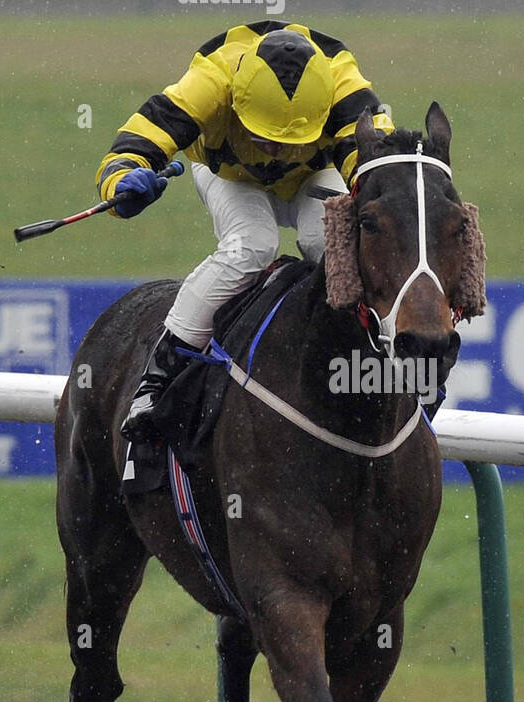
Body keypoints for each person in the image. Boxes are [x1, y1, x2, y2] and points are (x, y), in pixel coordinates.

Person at [97, 21, 393, 442]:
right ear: (237, 98)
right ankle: (157, 379)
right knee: (252, 244)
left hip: (314, 174)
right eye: (266, 135)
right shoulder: (212, 80)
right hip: (228, 174)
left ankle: (384, 358)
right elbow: (138, 140)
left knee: (331, 244)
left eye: (289, 137)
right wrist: (122, 179)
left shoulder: (345, 86)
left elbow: (380, 175)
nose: (276, 149)